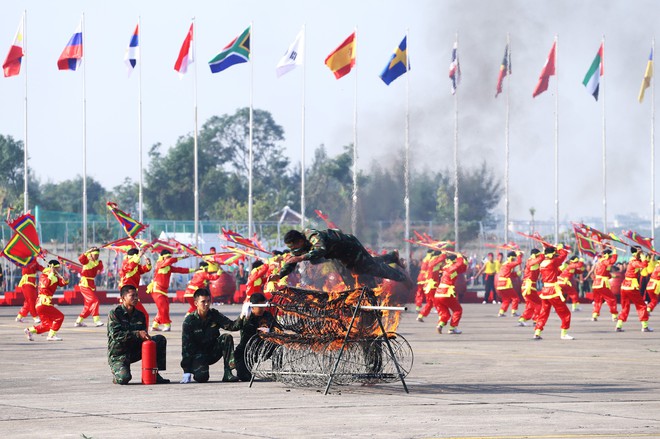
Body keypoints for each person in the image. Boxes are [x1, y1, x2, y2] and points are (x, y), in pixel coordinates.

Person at [278, 229, 411, 288]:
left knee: (371, 268)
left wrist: (301, 257)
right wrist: (279, 275)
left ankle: (401, 277)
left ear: (300, 239)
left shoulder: (313, 235)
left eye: (296, 246)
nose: (295, 250)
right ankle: (392, 257)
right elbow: (292, 261)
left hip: (350, 247)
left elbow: (321, 250)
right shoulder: (298, 247)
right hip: (337, 256)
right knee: (353, 277)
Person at [107, 285, 169, 384]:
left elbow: (143, 335)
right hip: (119, 354)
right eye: (132, 296)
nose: (136, 298)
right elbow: (116, 335)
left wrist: (146, 338)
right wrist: (137, 334)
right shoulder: (115, 313)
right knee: (124, 379)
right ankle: (117, 373)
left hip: (134, 351)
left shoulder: (140, 315)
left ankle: (154, 373)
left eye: (136, 295)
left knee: (159, 340)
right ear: (123, 298)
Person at [180, 288, 242, 383]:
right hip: (198, 355)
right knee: (202, 378)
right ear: (196, 303)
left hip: (212, 352)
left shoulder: (214, 315)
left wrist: (243, 316)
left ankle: (228, 373)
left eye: (208, 301)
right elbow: (186, 347)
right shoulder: (189, 321)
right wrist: (186, 370)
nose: (206, 304)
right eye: (203, 302)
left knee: (226, 337)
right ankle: (195, 369)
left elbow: (232, 326)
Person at [234, 292, 279, 382]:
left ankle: (276, 371)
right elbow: (235, 327)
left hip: (261, 349)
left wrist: (270, 332)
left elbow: (278, 329)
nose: (262, 309)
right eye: (260, 307)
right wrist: (244, 317)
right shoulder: (247, 317)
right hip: (245, 352)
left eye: (263, 306)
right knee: (245, 377)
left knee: (278, 345)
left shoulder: (267, 315)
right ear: (252, 307)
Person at [533, 245, 574, 340]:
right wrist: (559, 248)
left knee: (544, 313)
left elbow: (554, 271)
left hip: (545, 291)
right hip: (552, 291)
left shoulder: (542, 263)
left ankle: (537, 332)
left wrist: (565, 265)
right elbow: (563, 254)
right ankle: (564, 333)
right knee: (565, 313)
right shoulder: (553, 262)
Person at [146, 249, 193, 332]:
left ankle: (155, 325)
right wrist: (182, 257)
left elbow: (181, 270)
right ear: (163, 257)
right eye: (167, 257)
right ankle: (167, 325)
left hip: (164, 291)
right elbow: (169, 261)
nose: (169, 259)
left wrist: (194, 270)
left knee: (163, 308)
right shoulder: (159, 264)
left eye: (169, 257)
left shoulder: (169, 267)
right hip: (157, 289)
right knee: (163, 308)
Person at [24, 260, 69, 342]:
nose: (59, 269)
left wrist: (65, 280)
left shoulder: (54, 276)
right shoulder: (45, 275)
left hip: (43, 304)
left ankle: (30, 330)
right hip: (44, 303)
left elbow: (61, 283)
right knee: (59, 317)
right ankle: (51, 336)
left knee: (47, 325)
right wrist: (51, 273)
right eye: (57, 268)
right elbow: (46, 284)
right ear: (53, 268)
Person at [616, 246, 653, 332]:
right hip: (631, 287)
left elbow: (643, 262)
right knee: (641, 305)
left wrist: (647, 256)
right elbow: (644, 265)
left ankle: (619, 325)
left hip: (624, 286)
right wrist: (643, 255)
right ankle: (645, 326)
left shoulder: (633, 260)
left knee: (625, 307)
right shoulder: (634, 262)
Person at [118, 246, 152, 327]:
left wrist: (148, 264)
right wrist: (139, 256)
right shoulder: (126, 263)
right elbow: (129, 267)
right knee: (144, 315)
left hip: (132, 293)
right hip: (128, 294)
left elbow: (143, 269)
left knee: (132, 317)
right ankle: (144, 335)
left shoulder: (135, 265)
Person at [432, 253, 466, 334]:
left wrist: (464, 259)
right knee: (458, 310)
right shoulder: (451, 268)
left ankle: (440, 325)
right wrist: (460, 256)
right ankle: (452, 328)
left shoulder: (445, 268)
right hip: (446, 293)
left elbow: (462, 268)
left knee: (445, 314)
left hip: (438, 294)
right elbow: (460, 264)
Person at [74, 247, 105, 327]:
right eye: (95, 255)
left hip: (91, 284)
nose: (97, 256)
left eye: (98, 255)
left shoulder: (98, 262)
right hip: (85, 284)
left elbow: (100, 268)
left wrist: (98, 267)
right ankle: (96, 320)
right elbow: (81, 259)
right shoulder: (86, 260)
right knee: (95, 301)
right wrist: (88, 251)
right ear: (91, 254)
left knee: (88, 305)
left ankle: (78, 321)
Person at [516, 249, 544, 327]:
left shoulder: (533, 262)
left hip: (528, 287)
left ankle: (522, 319)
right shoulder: (531, 261)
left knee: (530, 304)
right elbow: (541, 258)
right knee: (539, 303)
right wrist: (545, 251)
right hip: (529, 287)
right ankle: (536, 319)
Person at [590, 248, 619, 322]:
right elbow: (612, 261)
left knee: (598, 300)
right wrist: (615, 251)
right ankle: (614, 316)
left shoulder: (600, 262)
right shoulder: (604, 261)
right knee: (611, 299)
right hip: (601, 283)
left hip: (596, 284)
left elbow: (604, 273)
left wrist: (612, 276)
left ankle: (594, 315)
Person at [15, 256, 45, 324]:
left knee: (28, 301)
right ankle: (35, 317)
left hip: (32, 283)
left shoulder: (34, 261)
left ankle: (20, 316)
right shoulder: (24, 260)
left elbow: (41, 268)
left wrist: (49, 269)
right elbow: (17, 262)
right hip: (26, 283)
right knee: (31, 300)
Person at [496, 251, 523, 317]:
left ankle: (501, 312)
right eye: (513, 259)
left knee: (506, 299)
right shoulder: (509, 264)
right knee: (515, 298)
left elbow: (508, 273)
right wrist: (519, 255)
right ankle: (514, 312)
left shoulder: (504, 264)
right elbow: (519, 262)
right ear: (511, 258)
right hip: (506, 284)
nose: (514, 260)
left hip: (500, 284)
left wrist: (516, 274)